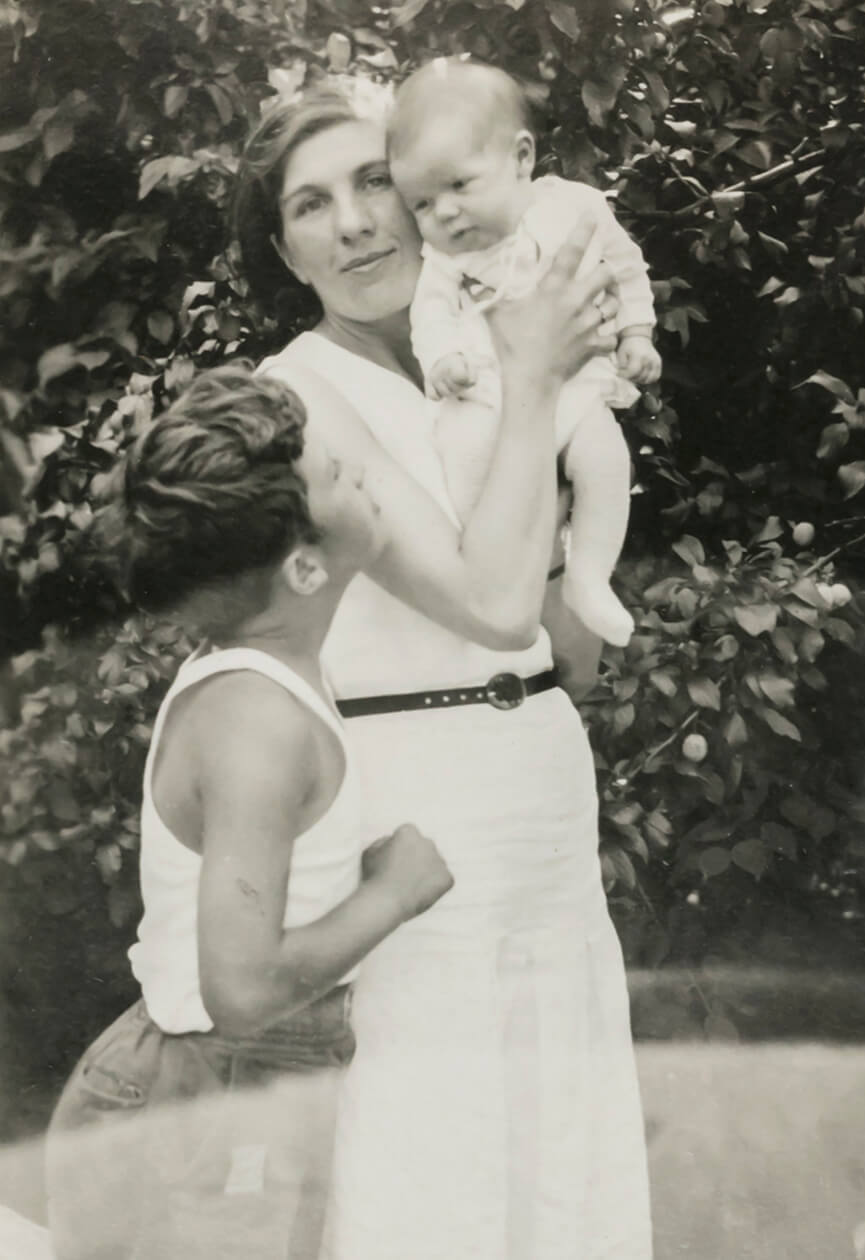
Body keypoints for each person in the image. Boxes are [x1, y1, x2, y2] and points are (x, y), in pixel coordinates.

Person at [234, 78, 652, 1260]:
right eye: (312, 206)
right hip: (412, 806)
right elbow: (486, 602)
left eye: (376, 183)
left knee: (562, 1142)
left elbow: (557, 636)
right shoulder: (294, 398)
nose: (357, 222)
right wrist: (531, 381)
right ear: (284, 248)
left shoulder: (485, 340)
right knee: (436, 1148)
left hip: (538, 789)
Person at [44, 365, 454, 1260]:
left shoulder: (270, 680)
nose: (358, 471)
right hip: (210, 1098)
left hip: (230, 1090)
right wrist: (396, 893)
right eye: (335, 477)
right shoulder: (258, 726)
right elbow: (240, 991)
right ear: (304, 566)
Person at [387, 58, 662, 648]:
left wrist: (637, 333)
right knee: (459, 457)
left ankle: (588, 576)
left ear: (521, 158)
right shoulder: (444, 259)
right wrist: (441, 362)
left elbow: (627, 267)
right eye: (422, 205)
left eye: (459, 185)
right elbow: (428, 314)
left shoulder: (576, 209)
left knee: (606, 464)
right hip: (486, 395)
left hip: (578, 387)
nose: (446, 213)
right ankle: (475, 566)